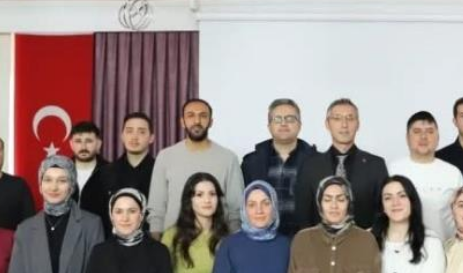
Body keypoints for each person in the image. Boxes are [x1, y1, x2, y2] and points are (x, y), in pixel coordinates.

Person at [148, 99, 243, 236]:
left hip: (217, 244)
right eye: (191, 115)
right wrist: (157, 246)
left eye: (203, 115)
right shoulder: (165, 157)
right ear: (182, 121)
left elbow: (236, 210)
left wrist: (234, 245)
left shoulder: (228, 158)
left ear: (211, 122)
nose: (197, 120)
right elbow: (157, 209)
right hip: (173, 244)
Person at [293, 99, 389, 230]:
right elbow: (303, 217)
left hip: (364, 246)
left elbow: (383, 213)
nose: (344, 125)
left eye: (350, 118)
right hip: (319, 246)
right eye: (337, 118)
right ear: (327, 124)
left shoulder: (376, 165)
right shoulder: (310, 166)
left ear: (358, 124)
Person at [241, 99, 318, 236]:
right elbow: (243, 204)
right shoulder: (251, 163)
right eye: (277, 119)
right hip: (262, 238)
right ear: (269, 125)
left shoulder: (316, 161)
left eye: (290, 119)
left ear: (300, 125)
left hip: (305, 239)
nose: (283, 123)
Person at [389, 111, 463, 241]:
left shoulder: (452, 173)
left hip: (446, 252)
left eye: (430, 132)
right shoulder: (393, 170)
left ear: (437, 137)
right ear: (407, 138)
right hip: (401, 251)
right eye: (417, 131)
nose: (423, 137)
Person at [104, 112, 157, 199]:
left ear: (151, 138)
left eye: (141, 132)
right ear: (122, 136)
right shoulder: (105, 173)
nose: (134, 137)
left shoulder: (160, 171)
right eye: (129, 131)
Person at [71, 121, 111, 228]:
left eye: (89, 141)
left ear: (99, 144)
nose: (83, 146)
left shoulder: (111, 172)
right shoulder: (62, 171)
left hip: (100, 236)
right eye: (78, 141)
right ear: (71, 144)